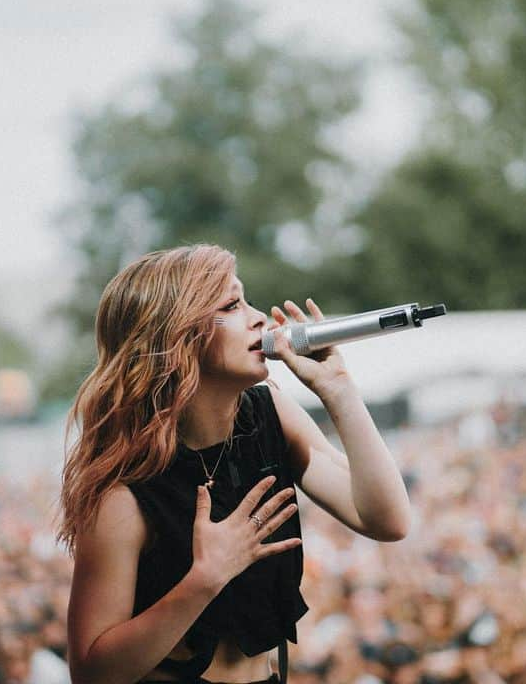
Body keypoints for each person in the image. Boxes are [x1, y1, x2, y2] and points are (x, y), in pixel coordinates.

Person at [58, 244, 412, 684]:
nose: (259, 317)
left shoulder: (270, 415)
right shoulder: (124, 489)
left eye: (244, 298)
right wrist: (204, 578)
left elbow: (387, 520)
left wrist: (338, 389)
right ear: (176, 336)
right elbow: (91, 671)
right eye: (231, 304)